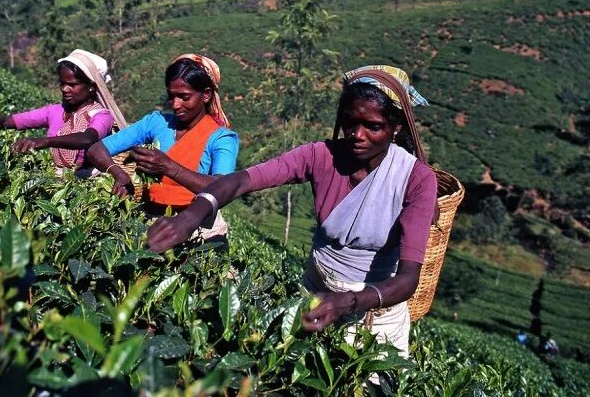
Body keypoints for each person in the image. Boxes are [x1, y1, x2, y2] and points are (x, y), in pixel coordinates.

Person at [147, 65, 437, 357]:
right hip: (316, 292)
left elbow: (407, 279)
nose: (357, 135)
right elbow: (241, 181)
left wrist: (347, 302)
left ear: (395, 126)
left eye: (373, 126)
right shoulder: (321, 156)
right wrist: (191, 216)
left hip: (373, 313)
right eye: (350, 122)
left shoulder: (416, 179)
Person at [86, 54, 238, 247]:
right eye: (171, 96)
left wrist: (168, 167)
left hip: (198, 230)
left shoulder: (221, 138)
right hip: (150, 220)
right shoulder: (157, 123)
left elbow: (223, 188)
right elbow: (96, 149)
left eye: (184, 97)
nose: (175, 105)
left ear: (206, 95)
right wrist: (118, 174)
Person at [0, 49, 126, 174]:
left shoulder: (101, 115)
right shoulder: (55, 111)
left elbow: (88, 138)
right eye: (62, 83)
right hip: (57, 180)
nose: (65, 89)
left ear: (90, 87)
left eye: (72, 85)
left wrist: (44, 141)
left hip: (90, 184)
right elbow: (8, 121)